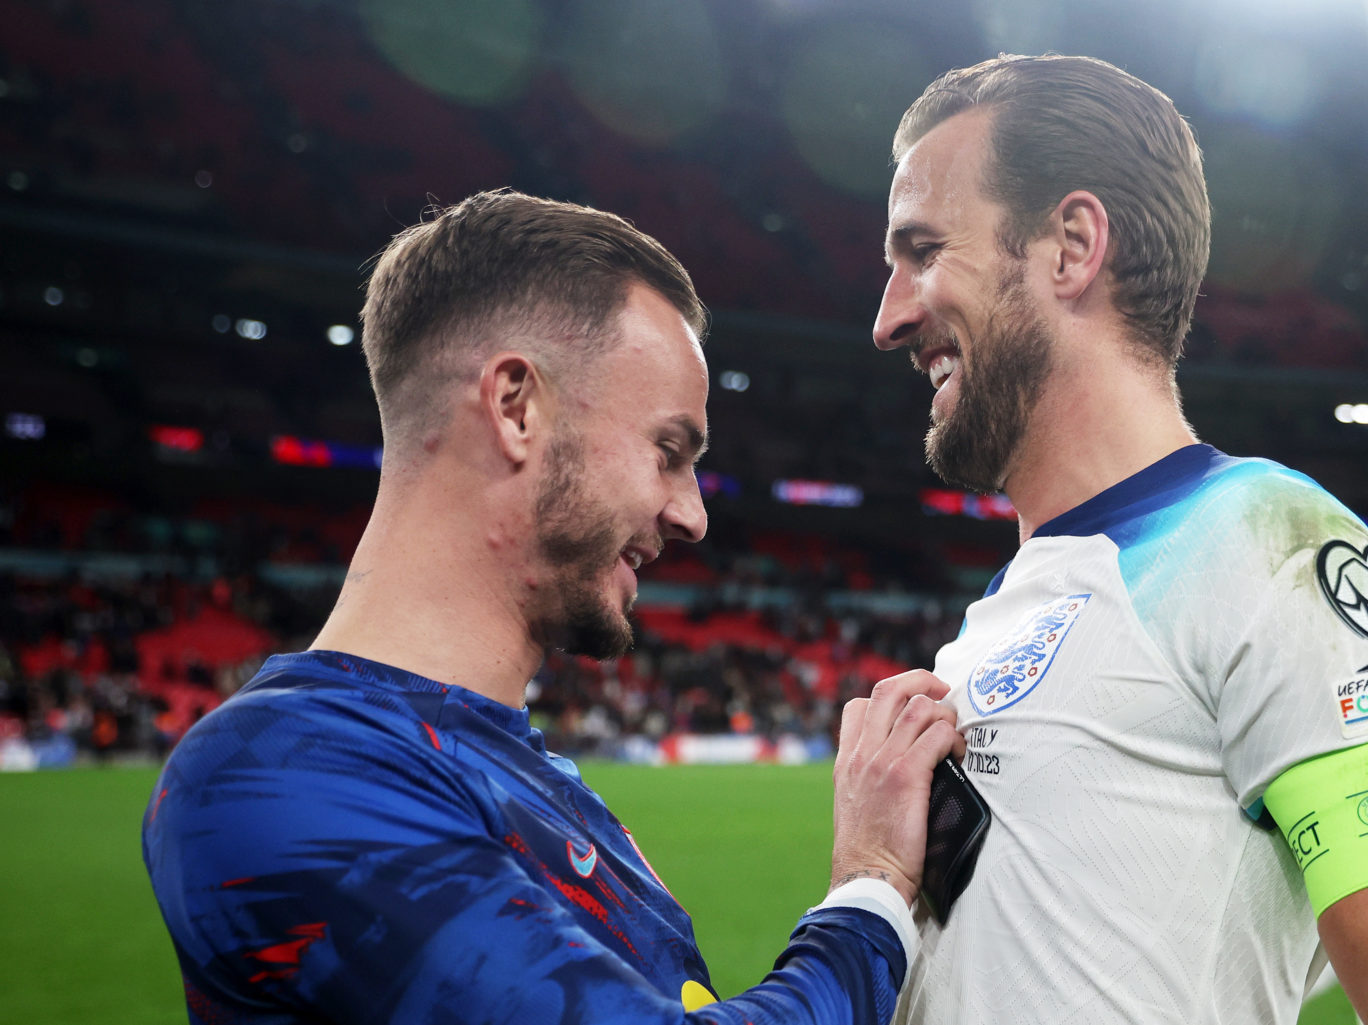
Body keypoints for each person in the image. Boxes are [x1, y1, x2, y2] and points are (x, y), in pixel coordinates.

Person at [143, 189, 963, 1025]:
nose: (693, 514)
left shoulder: (530, 777)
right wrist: (870, 885)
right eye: (668, 451)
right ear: (516, 408)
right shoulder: (281, 769)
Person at [872, 55, 1368, 1024]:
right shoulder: (1019, 593)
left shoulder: (1272, 545)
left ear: (1070, 245)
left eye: (923, 250)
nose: (888, 316)